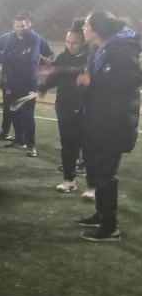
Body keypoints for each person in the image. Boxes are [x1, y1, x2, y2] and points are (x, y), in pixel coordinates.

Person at [75, 11, 142, 242]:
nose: (83, 27)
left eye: (86, 24)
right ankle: (101, 214)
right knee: (96, 169)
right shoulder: (101, 48)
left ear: (97, 28)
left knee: (105, 174)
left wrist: (93, 81)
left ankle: (110, 227)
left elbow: (132, 78)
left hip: (114, 123)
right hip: (100, 120)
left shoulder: (122, 50)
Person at [36, 20, 88, 193]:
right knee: (68, 146)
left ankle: (93, 186)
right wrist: (43, 87)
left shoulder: (92, 57)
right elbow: (53, 78)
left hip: (86, 108)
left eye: (74, 42)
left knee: (89, 146)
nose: (70, 46)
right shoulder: (62, 57)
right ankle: (69, 181)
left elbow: (83, 71)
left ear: (84, 41)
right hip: (64, 107)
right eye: (67, 42)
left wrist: (59, 71)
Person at [0, 15, 50, 157]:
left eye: (23, 26)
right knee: (13, 111)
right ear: (13, 26)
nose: (20, 28)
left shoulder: (34, 38)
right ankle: (20, 140)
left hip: (28, 82)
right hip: (11, 81)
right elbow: (5, 57)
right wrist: (8, 58)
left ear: (28, 25)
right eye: (17, 26)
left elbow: (31, 58)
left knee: (27, 114)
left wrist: (12, 57)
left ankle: (31, 145)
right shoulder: (9, 38)